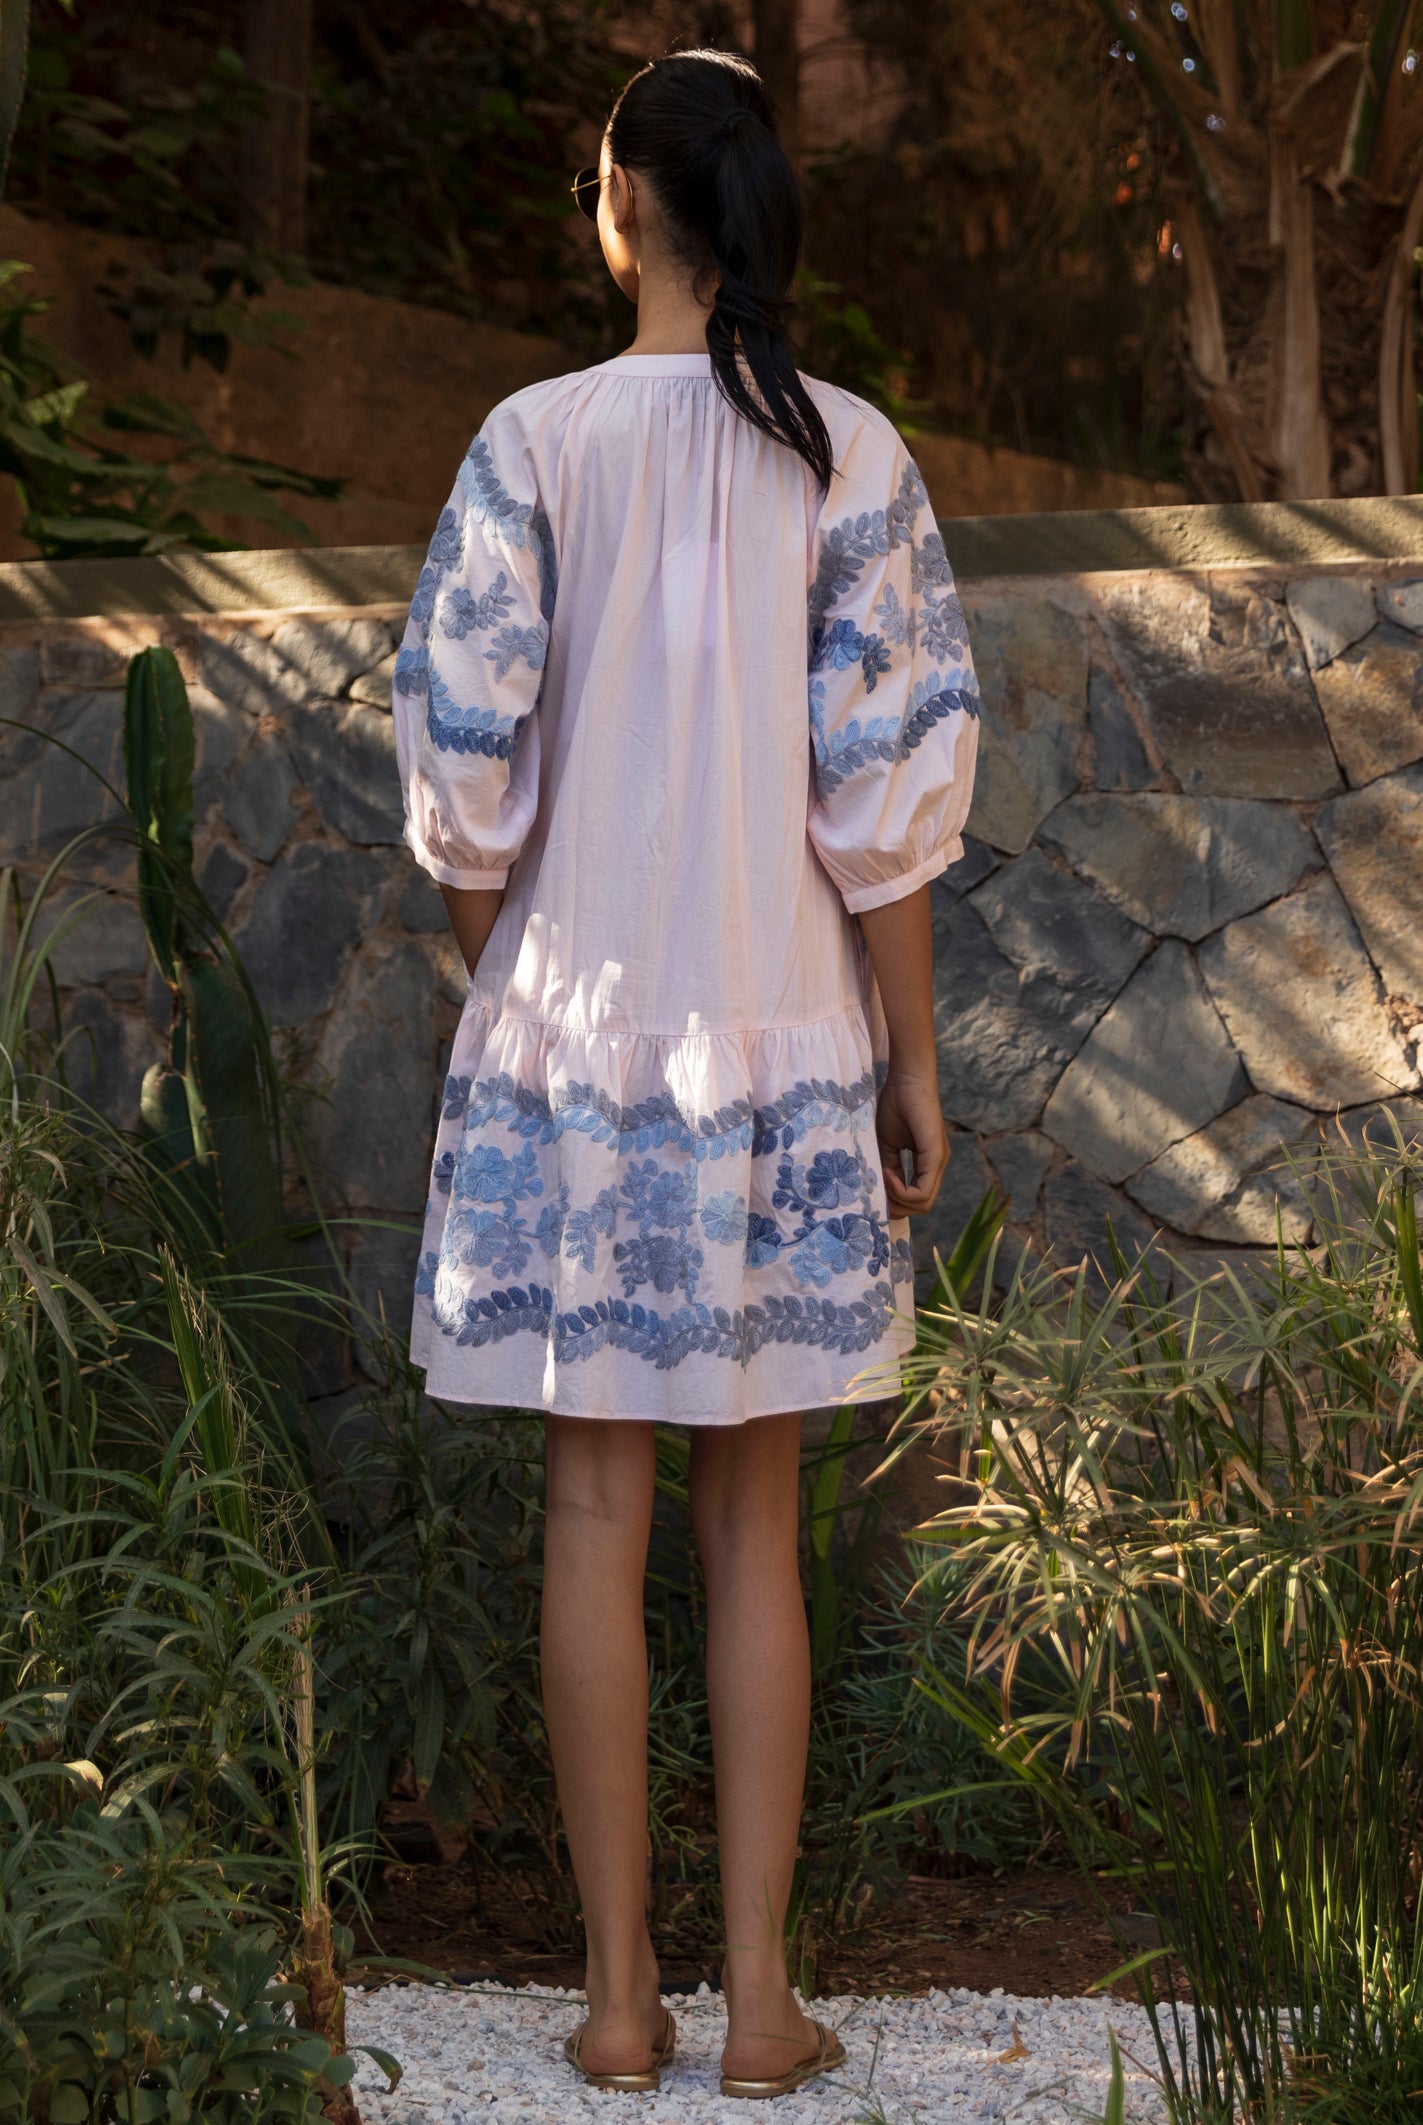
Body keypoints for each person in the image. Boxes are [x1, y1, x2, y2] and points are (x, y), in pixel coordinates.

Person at [392, 46, 979, 2103]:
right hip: (785, 1043)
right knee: (755, 1515)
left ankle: (616, 2001)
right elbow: (885, 804)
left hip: (567, 1044)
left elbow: (460, 792)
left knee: (586, 1497)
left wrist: (522, 997)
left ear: (619, 205)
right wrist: (909, 1058)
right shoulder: (854, 455)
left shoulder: (529, 442)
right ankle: (754, 2002)